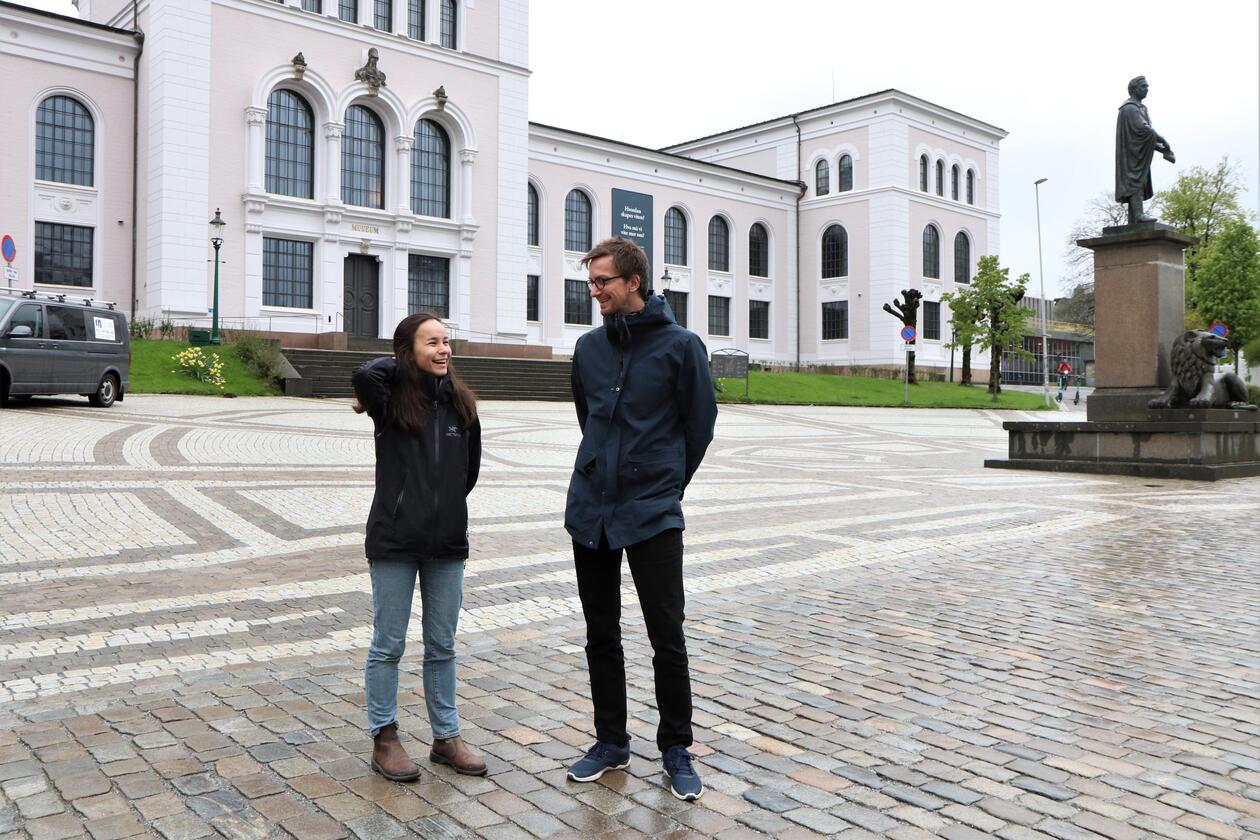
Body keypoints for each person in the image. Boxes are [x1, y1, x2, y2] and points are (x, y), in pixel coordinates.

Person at [563, 237, 718, 801]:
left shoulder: (682, 347)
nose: (595, 291)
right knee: (600, 634)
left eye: (602, 281)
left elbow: (697, 428)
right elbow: (589, 418)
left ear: (633, 282)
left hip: (653, 512)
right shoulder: (587, 349)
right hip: (591, 512)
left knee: (665, 634)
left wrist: (664, 482)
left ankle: (677, 747)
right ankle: (611, 741)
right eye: (592, 283)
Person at [351, 312, 485, 781]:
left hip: (447, 542)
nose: (444, 349)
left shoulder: (462, 406)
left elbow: (468, 474)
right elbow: (364, 374)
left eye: (447, 341)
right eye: (432, 343)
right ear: (408, 352)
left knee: (442, 644)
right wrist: (404, 365)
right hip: (394, 540)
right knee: (388, 644)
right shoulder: (388, 402)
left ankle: (446, 737)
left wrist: (442, 507)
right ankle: (384, 738)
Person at [1115, 75, 1174, 224]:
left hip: (1140, 153)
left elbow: (1146, 137)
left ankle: (1135, 218)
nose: (1147, 89)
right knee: (1136, 182)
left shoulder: (1142, 108)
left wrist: (1162, 149)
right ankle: (1139, 215)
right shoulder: (1129, 108)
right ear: (1134, 89)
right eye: (1144, 86)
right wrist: (1164, 142)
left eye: (1147, 86)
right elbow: (1145, 130)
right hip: (1132, 156)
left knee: (1140, 182)